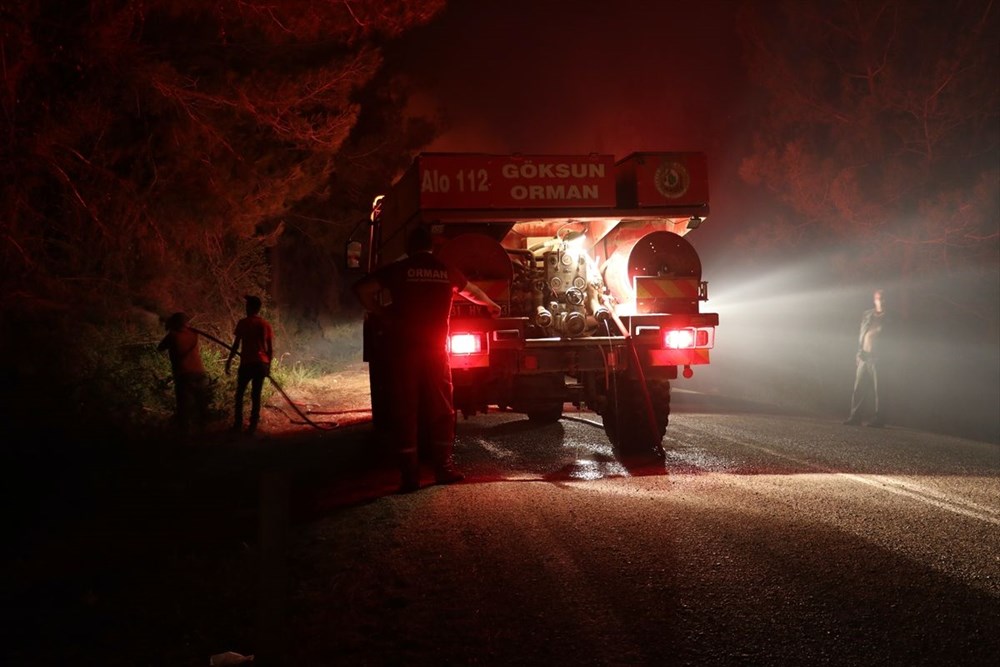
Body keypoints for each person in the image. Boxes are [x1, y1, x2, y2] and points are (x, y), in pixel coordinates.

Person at [353, 226, 502, 493]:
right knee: (442, 408)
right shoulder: (444, 270)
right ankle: (444, 468)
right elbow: (471, 292)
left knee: (405, 409)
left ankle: (409, 477)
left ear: (409, 248)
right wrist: (491, 304)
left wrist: (381, 313)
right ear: (431, 247)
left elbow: (363, 289)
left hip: (403, 351)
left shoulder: (399, 270)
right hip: (435, 351)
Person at [226, 295, 274, 435]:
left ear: (251, 307)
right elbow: (270, 349)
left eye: (247, 305)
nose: (245, 307)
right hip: (261, 364)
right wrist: (268, 367)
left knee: (240, 393)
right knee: (256, 394)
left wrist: (229, 361)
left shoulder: (243, 323)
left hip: (247, 363)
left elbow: (236, 345)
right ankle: (253, 425)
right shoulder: (266, 324)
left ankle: (238, 424)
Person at [157, 312, 210, 436]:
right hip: (200, 373)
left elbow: (160, 348)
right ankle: (204, 432)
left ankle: (185, 435)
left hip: (184, 375)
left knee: (184, 407)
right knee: (201, 404)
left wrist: (169, 329)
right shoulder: (194, 334)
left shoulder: (172, 336)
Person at [844, 288, 887, 427]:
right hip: (864, 356)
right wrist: (858, 352)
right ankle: (855, 417)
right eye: (878, 298)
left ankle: (879, 419)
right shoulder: (868, 315)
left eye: (883, 298)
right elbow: (862, 334)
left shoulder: (891, 317)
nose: (881, 301)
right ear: (874, 300)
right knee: (859, 388)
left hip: (879, 358)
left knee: (879, 390)